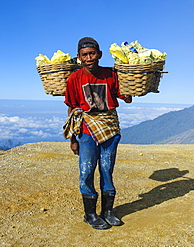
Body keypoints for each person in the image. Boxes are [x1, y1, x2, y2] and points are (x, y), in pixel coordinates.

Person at [63, 37, 132, 230]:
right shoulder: (74, 79)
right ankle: (90, 214)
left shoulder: (111, 74)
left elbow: (126, 98)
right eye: (84, 55)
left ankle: (107, 212)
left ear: (99, 54)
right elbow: (72, 110)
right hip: (85, 129)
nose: (89, 58)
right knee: (86, 171)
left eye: (92, 53)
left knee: (106, 169)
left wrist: (129, 93)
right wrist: (73, 139)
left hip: (109, 127)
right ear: (79, 58)